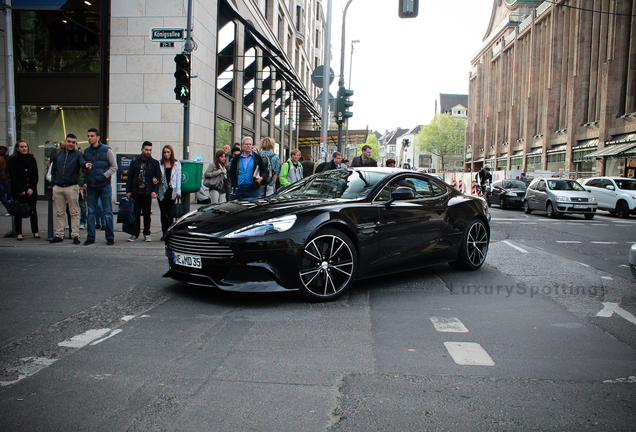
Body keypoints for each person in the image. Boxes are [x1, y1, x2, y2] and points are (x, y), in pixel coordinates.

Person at [49, 134, 91, 244]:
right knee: (60, 213)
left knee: (74, 212)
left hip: (72, 186)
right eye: (69, 141)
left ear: (75, 144)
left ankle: (75, 235)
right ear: (65, 142)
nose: (71, 144)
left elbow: (82, 163)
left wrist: (85, 165)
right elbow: (53, 170)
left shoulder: (78, 155)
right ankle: (59, 235)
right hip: (58, 187)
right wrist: (54, 184)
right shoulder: (58, 155)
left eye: (73, 142)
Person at [83, 128, 117, 245]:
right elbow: (84, 167)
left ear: (98, 137)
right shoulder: (86, 151)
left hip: (104, 186)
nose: (89, 138)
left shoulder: (106, 150)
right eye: (88, 136)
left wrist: (104, 175)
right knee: (91, 212)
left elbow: (114, 166)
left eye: (92, 136)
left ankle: (109, 237)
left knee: (107, 212)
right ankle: (90, 237)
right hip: (92, 186)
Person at [126, 141, 162, 242]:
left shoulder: (154, 163)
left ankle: (147, 233)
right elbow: (130, 176)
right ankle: (135, 233)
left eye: (150, 150)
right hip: (136, 192)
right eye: (146, 150)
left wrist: (154, 191)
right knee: (135, 214)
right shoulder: (135, 161)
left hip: (147, 192)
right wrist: (128, 190)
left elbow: (158, 177)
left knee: (147, 214)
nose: (148, 152)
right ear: (142, 150)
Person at [7, 141, 40, 241]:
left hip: (31, 189)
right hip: (18, 190)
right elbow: (13, 176)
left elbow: (35, 175)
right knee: (19, 211)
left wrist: (31, 188)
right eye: (22, 147)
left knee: (33, 210)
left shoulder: (31, 159)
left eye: (25, 146)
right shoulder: (13, 160)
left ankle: (35, 231)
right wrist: (21, 189)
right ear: (17, 148)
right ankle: (19, 233)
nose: (24, 148)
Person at [157, 145, 181, 241]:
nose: (166, 154)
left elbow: (179, 177)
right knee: (163, 212)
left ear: (171, 153)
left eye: (168, 152)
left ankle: (169, 233)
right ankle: (164, 232)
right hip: (162, 190)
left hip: (172, 190)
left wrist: (178, 191)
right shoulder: (159, 163)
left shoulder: (176, 163)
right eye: (165, 152)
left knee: (171, 212)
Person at [0, 146, 11, 214]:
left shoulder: (1, 159)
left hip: (2, 177)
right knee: (5, 190)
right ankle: (9, 198)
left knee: (2, 196)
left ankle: (10, 208)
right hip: (4, 177)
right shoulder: (4, 158)